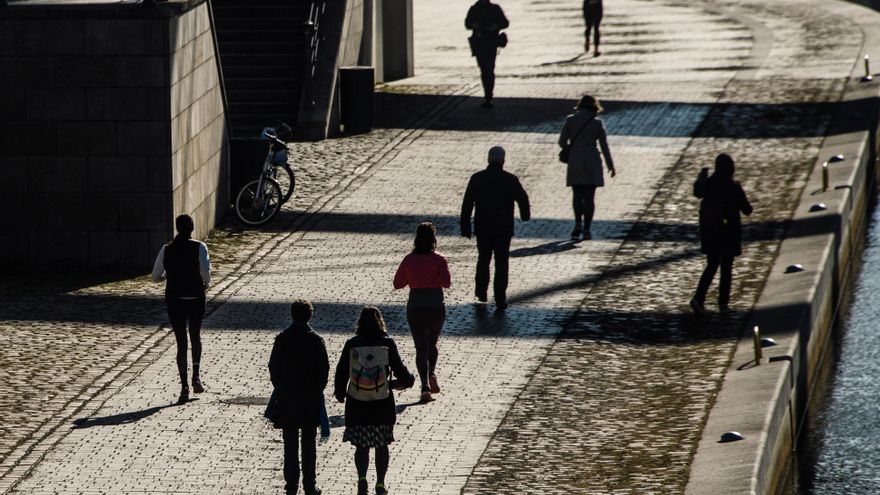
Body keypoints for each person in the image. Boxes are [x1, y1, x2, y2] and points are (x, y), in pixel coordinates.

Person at [334, 307, 415, 495]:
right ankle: (380, 483)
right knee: (382, 444)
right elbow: (400, 370)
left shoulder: (352, 344)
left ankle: (362, 479)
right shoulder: (387, 344)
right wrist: (408, 380)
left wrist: (339, 392)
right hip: (381, 402)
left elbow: (342, 370)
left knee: (361, 445)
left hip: (357, 402)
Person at [269, 300, 329, 495]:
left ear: (292, 315)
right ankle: (309, 485)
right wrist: (317, 389)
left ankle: (291, 485)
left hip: (288, 398)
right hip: (309, 398)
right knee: (309, 443)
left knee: (290, 442)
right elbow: (324, 369)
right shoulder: (315, 340)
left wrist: (281, 387)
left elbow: (273, 367)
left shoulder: (282, 338)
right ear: (310, 315)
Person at [460, 146, 530, 309]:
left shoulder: (477, 178)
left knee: (483, 259)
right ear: (503, 160)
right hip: (503, 228)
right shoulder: (510, 179)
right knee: (502, 262)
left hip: (483, 227)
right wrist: (525, 215)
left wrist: (465, 226)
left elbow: (467, 203)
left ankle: (481, 292)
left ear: (488, 159)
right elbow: (522, 198)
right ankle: (500, 297)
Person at [151, 214, 211, 404]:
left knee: (181, 342)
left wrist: (169, 276)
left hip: (175, 299)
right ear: (192, 228)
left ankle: (184, 385)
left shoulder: (166, 249)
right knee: (195, 336)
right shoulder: (199, 247)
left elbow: (155, 276)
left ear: (177, 228)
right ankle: (196, 376)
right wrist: (205, 284)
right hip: (195, 298)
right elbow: (205, 272)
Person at [393, 221, 452, 403]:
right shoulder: (439, 259)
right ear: (433, 239)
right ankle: (432, 372)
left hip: (416, 306)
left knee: (420, 347)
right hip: (435, 306)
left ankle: (424, 385)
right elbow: (447, 283)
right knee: (432, 343)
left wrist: (413, 278)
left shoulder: (409, 260)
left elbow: (397, 284)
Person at [690, 153, 753, 315]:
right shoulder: (733, 187)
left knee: (712, 265)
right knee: (726, 268)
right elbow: (747, 210)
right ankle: (723, 304)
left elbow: (698, 192)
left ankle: (699, 298)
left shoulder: (709, 184)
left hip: (711, 232)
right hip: (729, 233)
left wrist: (701, 178)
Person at [558, 94, 615, 241]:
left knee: (577, 194)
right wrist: (610, 165)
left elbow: (561, 142)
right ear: (594, 107)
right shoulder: (597, 123)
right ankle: (587, 228)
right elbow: (604, 146)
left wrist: (571, 147)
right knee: (590, 197)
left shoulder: (570, 120)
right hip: (592, 161)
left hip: (575, 160)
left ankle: (577, 222)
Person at [465, 0, 509, 108]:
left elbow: (505, 23)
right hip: (480, 43)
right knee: (485, 70)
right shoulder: (474, 9)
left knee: (488, 69)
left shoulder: (494, 8)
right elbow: (467, 23)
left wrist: (494, 26)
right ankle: (488, 96)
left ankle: (488, 96)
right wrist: (474, 25)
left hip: (490, 42)